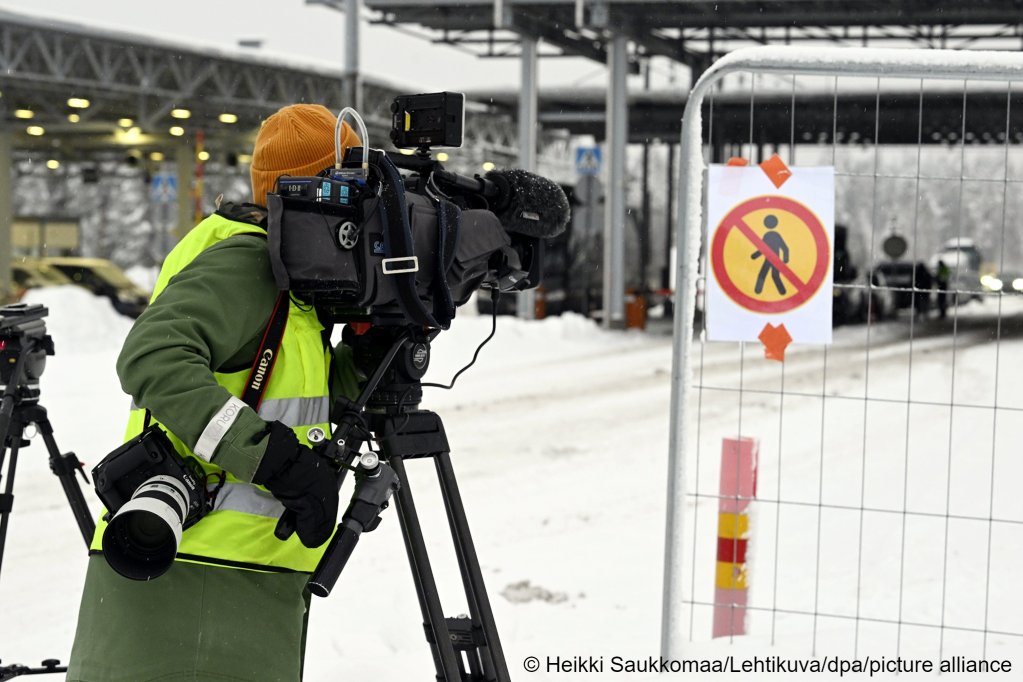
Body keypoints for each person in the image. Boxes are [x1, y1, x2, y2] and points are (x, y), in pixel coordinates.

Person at [67, 104, 363, 682]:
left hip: (234, 579)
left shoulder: (287, 276)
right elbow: (152, 356)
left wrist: (376, 351)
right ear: (316, 191)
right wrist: (274, 459)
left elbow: (299, 395)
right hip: (194, 583)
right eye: (350, 187)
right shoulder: (247, 260)